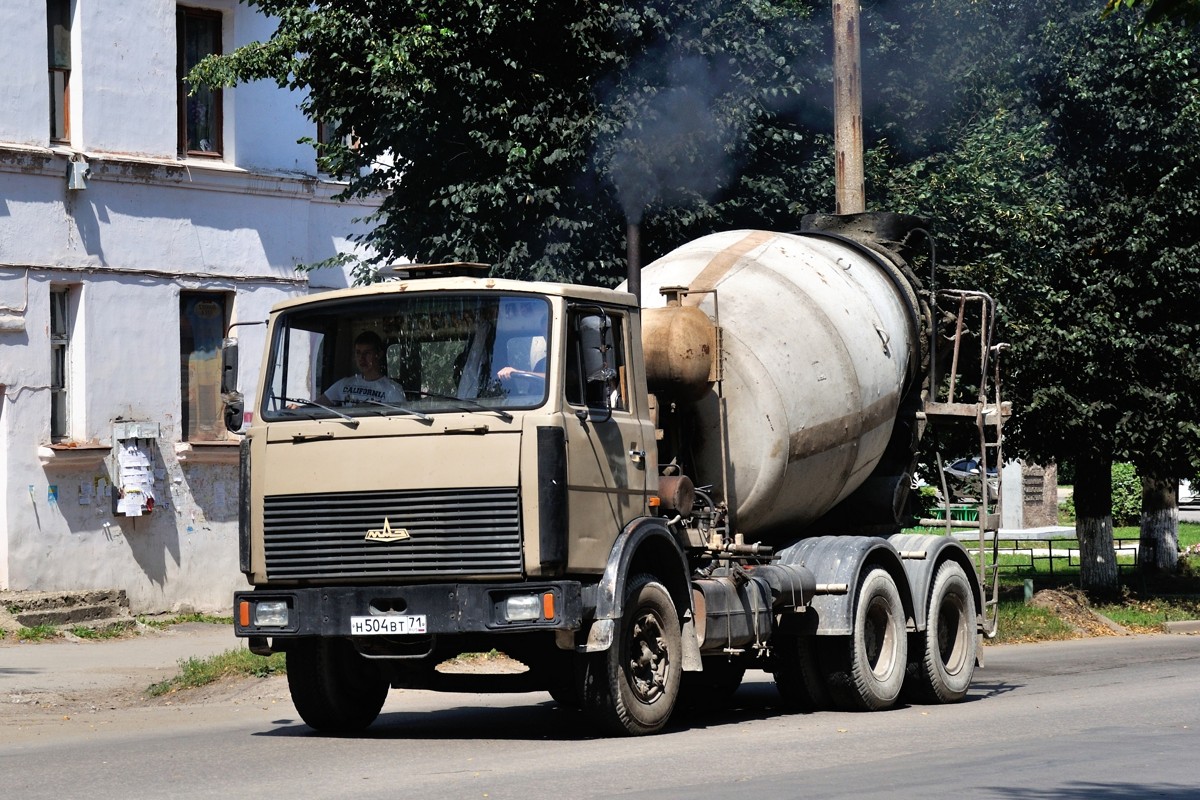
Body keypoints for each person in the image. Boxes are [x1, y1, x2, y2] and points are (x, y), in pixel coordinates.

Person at [316, 331, 405, 406]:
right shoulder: (344, 384)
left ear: (379, 354)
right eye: (358, 353)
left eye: (367, 353)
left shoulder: (392, 390)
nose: (361, 358)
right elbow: (314, 407)